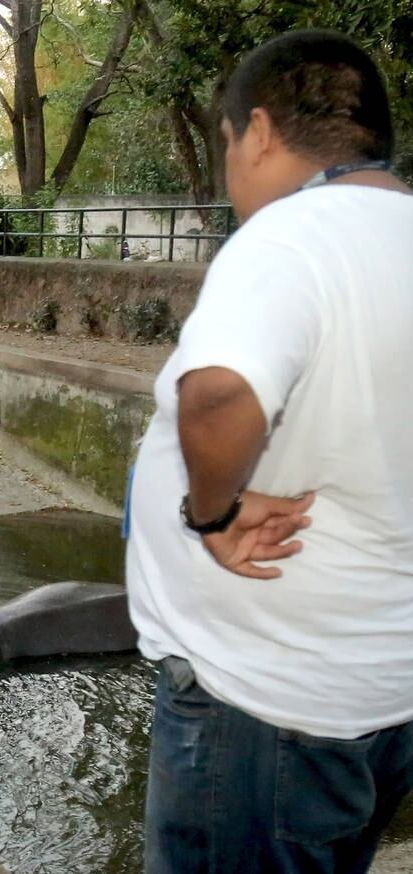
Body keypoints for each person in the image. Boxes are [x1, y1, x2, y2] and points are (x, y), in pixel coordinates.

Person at [125, 30, 413, 874]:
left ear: (256, 132)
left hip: (263, 704)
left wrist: (207, 510)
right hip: (380, 685)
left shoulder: (293, 235)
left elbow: (219, 394)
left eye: (224, 147)